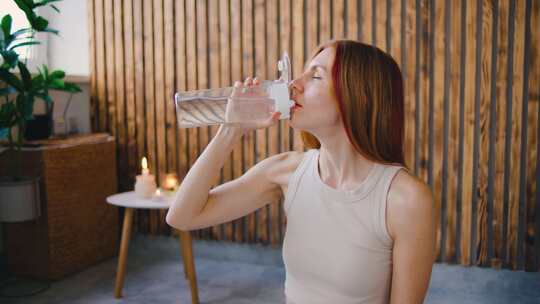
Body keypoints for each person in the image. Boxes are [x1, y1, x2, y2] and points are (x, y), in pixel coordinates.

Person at [166, 40, 436, 304]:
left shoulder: (405, 200)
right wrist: (232, 128)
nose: (294, 84)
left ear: (358, 96)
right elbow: (182, 216)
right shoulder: (286, 171)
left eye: (315, 76)